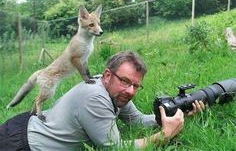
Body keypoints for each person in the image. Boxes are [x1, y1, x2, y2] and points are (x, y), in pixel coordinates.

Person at [0, 51, 204, 150]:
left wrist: (174, 114)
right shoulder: (95, 97)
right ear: (107, 75)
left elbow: (137, 121)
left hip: (26, 125)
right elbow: (115, 148)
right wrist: (164, 135)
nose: (130, 90)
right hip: (22, 144)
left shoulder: (115, 91)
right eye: (125, 81)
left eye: (136, 85)